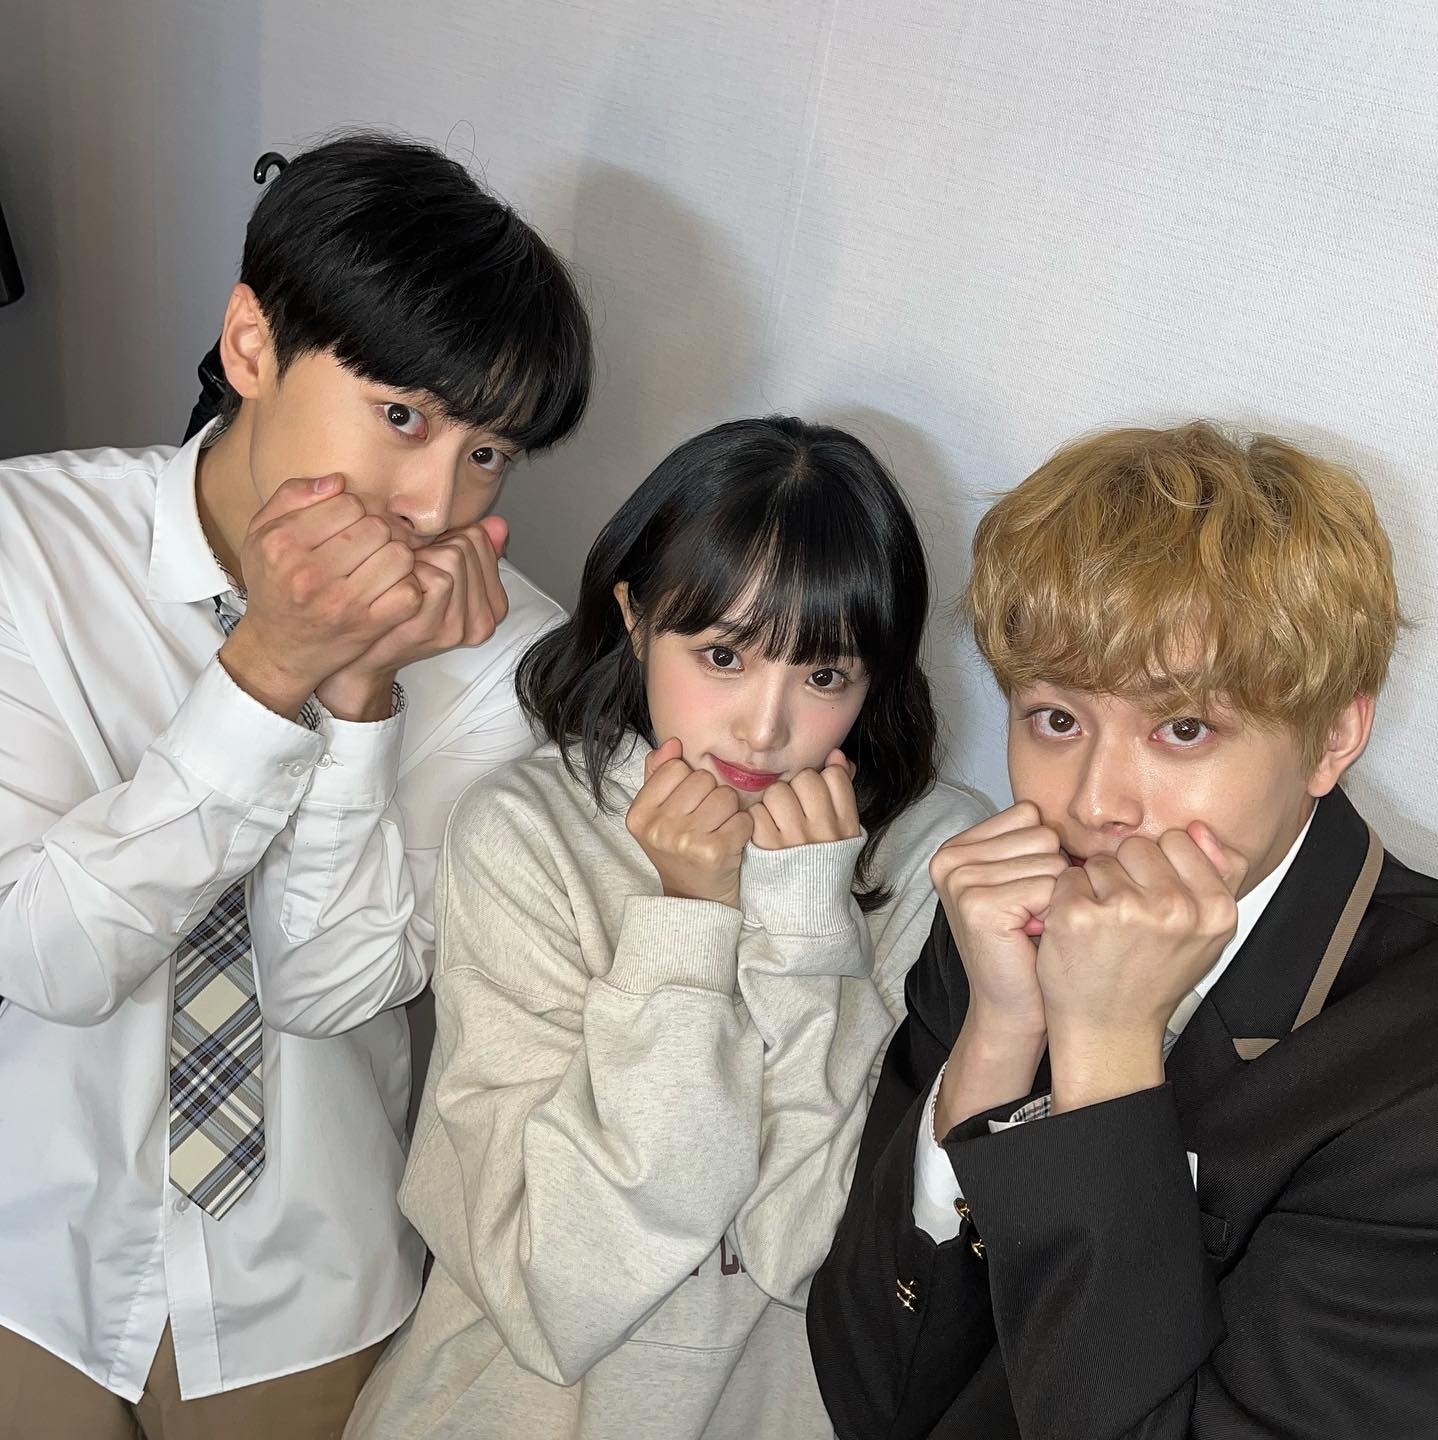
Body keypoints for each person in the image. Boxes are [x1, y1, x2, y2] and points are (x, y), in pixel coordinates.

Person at [0, 132, 591, 1437]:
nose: (435, 503)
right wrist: (270, 665)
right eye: (404, 417)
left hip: (305, 1275)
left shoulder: (510, 655)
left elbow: (328, 988)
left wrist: (362, 691)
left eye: (489, 452)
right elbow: (46, 955)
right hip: (26, 1244)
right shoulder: (24, 549)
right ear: (253, 345)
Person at [343, 416, 988, 1440]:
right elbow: (561, 1291)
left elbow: (802, 1249)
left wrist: (805, 925)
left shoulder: (935, 857)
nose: (765, 728)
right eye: (723, 654)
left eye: (825, 676)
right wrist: (688, 922)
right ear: (636, 618)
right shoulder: (528, 832)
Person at [806, 420, 1438, 1438]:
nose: (1097, 803)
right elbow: (870, 1393)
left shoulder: (1412, 1076)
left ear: (1333, 737)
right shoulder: (997, 925)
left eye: (1182, 728)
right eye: (1056, 720)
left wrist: (1104, 1050)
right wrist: (998, 1037)